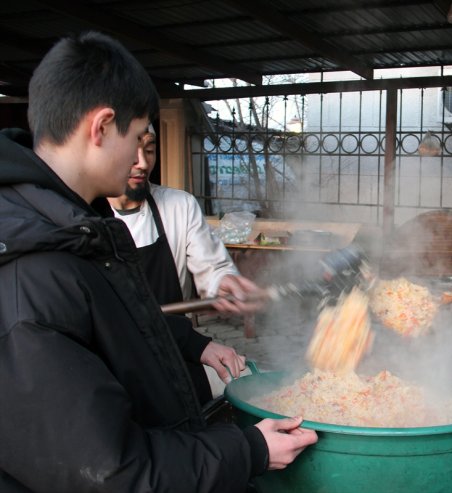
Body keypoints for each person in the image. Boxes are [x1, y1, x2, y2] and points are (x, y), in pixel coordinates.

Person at [0, 31, 316, 492]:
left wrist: (196, 345)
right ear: (102, 127)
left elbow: (120, 322)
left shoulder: (75, 230)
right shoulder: (33, 268)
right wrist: (249, 450)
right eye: (138, 137)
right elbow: (112, 473)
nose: (139, 158)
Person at [107, 127, 260, 403]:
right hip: (114, 364)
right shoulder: (83, 214)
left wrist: (224, 282)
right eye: (132, 150)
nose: (142, 162)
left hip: (173, 352)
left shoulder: (179, 205)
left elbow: (212, 266)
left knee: (232, 394)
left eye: (150, 149)